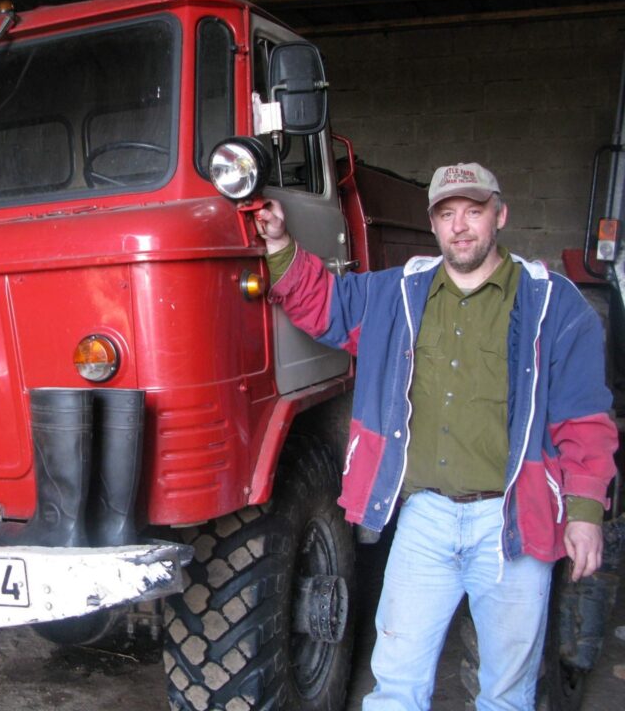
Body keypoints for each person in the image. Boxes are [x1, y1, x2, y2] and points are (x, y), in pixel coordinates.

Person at [257, 162, 618, 710]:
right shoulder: (398, 296)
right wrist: (281, 242)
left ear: (500, 215)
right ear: (434, 225)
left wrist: (586, 512)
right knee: (395, 687)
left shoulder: (555, 306)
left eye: (474, 211)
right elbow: (324, 305)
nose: (461, 226)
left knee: (507, 695)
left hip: (512, 521)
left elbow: (584, 420)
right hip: (425, 519)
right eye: (448, 214)